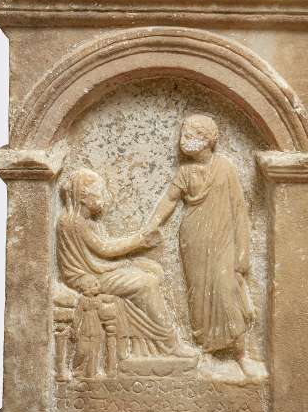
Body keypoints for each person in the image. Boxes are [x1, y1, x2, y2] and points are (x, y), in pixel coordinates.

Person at [146, 114, 268, 380]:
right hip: (194, 240)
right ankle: (208, 354)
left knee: (228, 291)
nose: (184, 140)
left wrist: (243, 254)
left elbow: (239, 209)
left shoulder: (225, 167)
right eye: (183, 135)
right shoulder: (185, 172)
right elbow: (169, 200)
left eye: (191, 136)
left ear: (208, 139)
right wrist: (152, 225)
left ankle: (241, 354)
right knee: (199, 294)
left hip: (224, 241)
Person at [57, 168, 193, 358]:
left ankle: (143, 345)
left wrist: (128, 261)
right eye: (99, 192)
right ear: (83, 197)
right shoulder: (72, 222)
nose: (105, 197)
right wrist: (139, 241)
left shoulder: (88, 222)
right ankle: (169, 342)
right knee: (146, 283)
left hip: (101, 270)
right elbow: (105, 249)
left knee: (153, 269)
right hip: (91, 277)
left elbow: (103, 254)